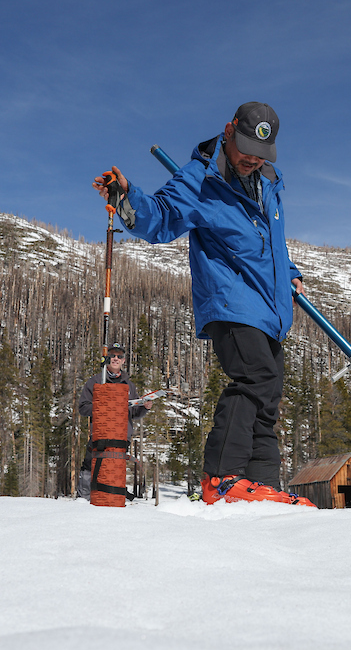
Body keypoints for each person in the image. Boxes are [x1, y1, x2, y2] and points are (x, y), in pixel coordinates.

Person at [94, 102, 313, 507]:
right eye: (246, 148)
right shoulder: (200, 178)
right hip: (231, 300)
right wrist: (128, 200)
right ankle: (222, 478)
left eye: (260, 153)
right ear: (229, 131)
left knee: (268, 394)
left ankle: (260, 483)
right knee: (254, 379)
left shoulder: (269, 180)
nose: (251, 159)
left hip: (270, 306)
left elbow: (265, 239)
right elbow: (160, 216)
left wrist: (289, 269)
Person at [76, 343, 151, 500]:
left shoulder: (129, 385)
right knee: (91, 465)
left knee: (115, 468)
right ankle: (83, 499)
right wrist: (105, 406)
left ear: (124, 361)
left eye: (119, 356)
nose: (116, 358)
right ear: (106, 358)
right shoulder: (95, 381)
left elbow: (134, 413)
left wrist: (145, 407)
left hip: (122, 436)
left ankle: (113, 499)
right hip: (101, 433)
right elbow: (83, 408)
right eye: (112, 355)